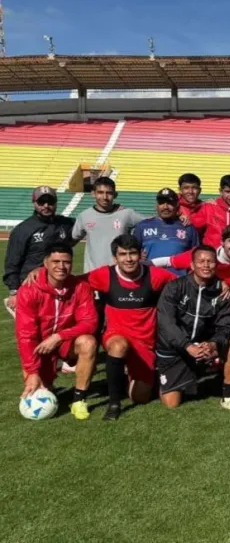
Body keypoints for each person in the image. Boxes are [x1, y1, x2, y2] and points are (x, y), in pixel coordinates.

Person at [84, 235, 177, 419]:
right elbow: (75, 281)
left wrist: (218, 284)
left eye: (132, 253)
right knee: (118, 346)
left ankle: (130, 375)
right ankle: (114, 403)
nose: (128, 259)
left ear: (141, 254)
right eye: (122, 254)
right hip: (115, 335)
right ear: (114, 258)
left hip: (144, 342)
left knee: (140, 397)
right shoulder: (105, 275)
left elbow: (184, 285)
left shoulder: (155, 275)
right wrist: (39, 273)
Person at [15, 243, 98, 420]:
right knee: (41, 391)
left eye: (66, 262)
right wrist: (32, 372)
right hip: (39, 345)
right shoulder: (29, 290)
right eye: (56, 261)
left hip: (65, 342)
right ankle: (44, 381)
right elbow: (25, 335)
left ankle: (79, 400)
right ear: (45, 263)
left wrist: (58, 336)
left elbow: (90, 323)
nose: (61, 266)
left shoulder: (81, 287)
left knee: (88, 342)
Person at [155, 246, 230, 409]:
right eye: (201, 261)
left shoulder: (221, 291)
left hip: (202, 346)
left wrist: (213, 343)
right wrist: (187, 346)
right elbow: (166, 323)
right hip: (175, 349)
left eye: (210, 262)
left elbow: (227, 325)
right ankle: (164, 377)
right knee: (172, 404)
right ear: (192, 265)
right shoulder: (175, 287)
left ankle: (228, 397)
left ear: (216, 265)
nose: (206, 265)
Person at [4, 186, 74, 317]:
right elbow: (12, 262)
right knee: (31, 331)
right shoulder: (22, 230)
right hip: (32, 287)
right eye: (42, 202)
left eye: (50, 202)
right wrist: (14, 292)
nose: (46, 206)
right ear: (34, 202)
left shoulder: (65, 223)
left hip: (59, 286)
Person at [72, 176, 145, 272]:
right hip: (93, 273)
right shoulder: (84, 216)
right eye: (100, 192)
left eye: (109, 193)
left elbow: (151, 223)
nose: (105, 197)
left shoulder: (127, 214)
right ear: (93, 193)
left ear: (115, 195)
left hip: (120, 273)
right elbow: (73, 238)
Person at [135, 188, 200, 276]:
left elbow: (196, 255)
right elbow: (132, 252)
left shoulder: (187, 227)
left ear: (177, 205)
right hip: (150, 280)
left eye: (170, 203)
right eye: (161, 203)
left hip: (179, 282)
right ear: (156, 205)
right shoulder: (142, 226)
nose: (165, 207)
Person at [198, 174, 230, 249]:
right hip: (212, 254)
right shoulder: (209, 207)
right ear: (220, 191)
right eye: (227, 191)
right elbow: (193, 225)